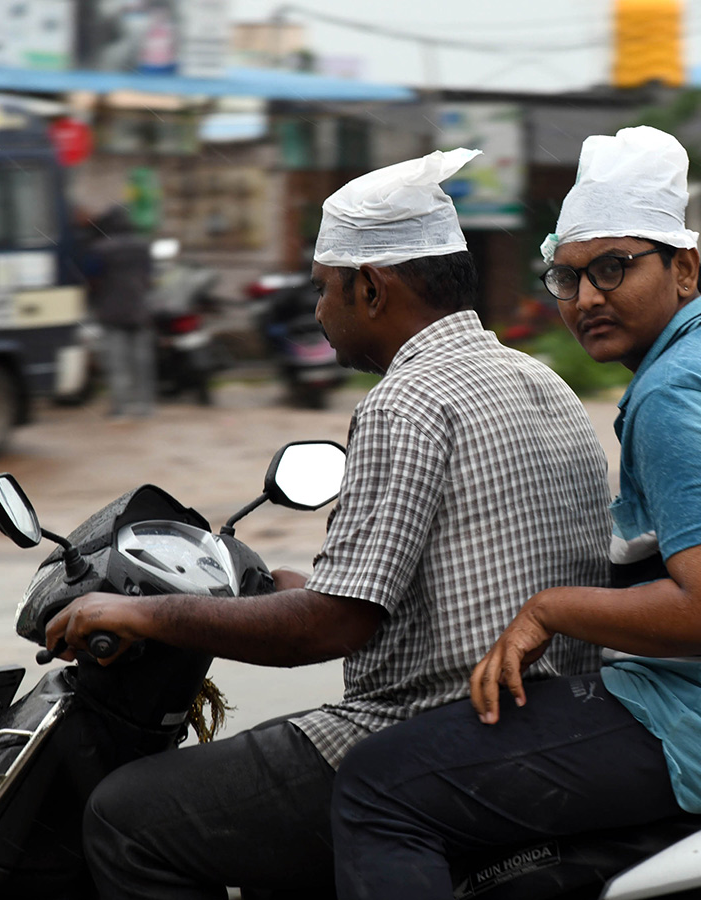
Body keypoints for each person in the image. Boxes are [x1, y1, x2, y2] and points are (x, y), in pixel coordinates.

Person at [328, 126, 701, 900]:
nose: (587, 298)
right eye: (568, 276)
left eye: (614, 269)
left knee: (378, 787)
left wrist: (548, 611)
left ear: (684, 268)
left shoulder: (679, 393)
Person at [44, 148, 613, 898]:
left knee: (126, 816)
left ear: (370, 288)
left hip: (425, 728)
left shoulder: (405, 404)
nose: (318, 311)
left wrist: (143, 613)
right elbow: (447, 578)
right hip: (545, 725)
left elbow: (330, 630)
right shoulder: (539, 379)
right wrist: (285, 585)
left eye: (323, 290)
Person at [83, 205, 156, 419]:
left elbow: (91, 278)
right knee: (142, 362)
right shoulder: (144, 247)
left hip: (111, 312)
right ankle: (145, 407)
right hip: (140, 311)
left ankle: (120, 407)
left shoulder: (100, 249)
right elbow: (150, 277)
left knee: (117, 363)